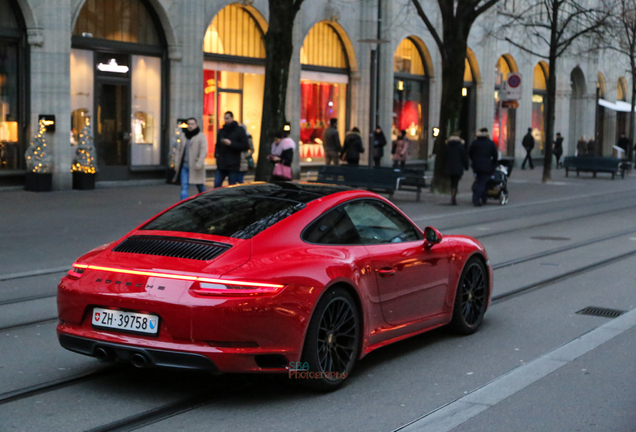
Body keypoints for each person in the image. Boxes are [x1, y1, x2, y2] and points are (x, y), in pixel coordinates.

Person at [173, 117, 208, 201]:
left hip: (196, 166)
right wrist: (176, 163)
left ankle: (206, 200)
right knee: (184, 187)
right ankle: (183, 204)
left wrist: (199, 163)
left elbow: (203, 151)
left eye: (192, 124)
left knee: (200, 186)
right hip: (185, 166)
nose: (190, 126)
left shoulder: (201, 137)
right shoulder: (183, 136)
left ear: (196, 125)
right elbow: (179, 151)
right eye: (189, 124)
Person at [214, 111, 249, 188]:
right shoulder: (222, 131)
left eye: (227, 118)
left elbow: (245, 146)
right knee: (217, 184)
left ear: (232, 118)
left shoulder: (239, 130)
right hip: (222, 163)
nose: (226, 120)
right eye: (225, 119)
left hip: (233, 164)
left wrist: (231, 144)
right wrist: (217, 155)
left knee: (232, 186)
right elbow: (217, 145)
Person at [469, 127, 498, 207]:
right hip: (486, 165)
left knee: (479, 180)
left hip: (476, 165)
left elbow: (470, 153)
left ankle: (483, 198)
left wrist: (474, 160)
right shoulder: (490, 143)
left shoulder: (475, 142)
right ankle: (476, 199)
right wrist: (493, 164)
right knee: (482, 182)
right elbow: (495, 155)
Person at [445, 131, 469, 205]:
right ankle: (453, 197)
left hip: (450, 166)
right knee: (456, 182)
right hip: (458, 166)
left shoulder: (448, 146)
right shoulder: (460, 146)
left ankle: (452, 195)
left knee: (452, 182)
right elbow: (464, 157)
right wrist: (466, 166)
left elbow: (445, 157)